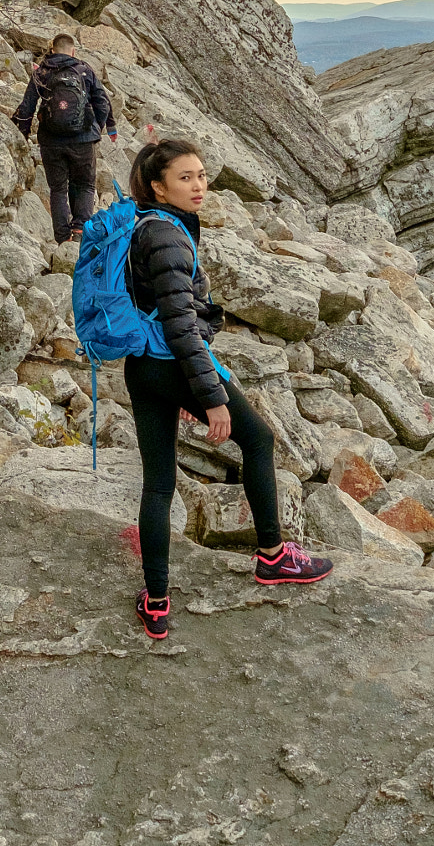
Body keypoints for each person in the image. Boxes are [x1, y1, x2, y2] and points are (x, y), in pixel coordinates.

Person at [124, 136, 332, 640]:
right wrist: (212, 398)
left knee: (157, 482)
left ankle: (155, 602)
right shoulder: (168, 237)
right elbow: (181, 328)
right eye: (185, 178)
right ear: (159, 186)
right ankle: (273, 556)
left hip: (142, 365)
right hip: (172, 360)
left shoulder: (145, 225)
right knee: (258, 440)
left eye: (201, 175)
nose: (200, 186)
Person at [12, 32, 116, 244]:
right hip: (84, 139)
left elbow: (27, 106)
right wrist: (97, 127)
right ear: (73, 51)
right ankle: (80, 232)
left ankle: (61, 238)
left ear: (52, 50)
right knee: (85, 186)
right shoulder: (84, 70)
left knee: (58, 189)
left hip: (51, 140)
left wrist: (22, 134)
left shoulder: (41, 72)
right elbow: (103, 103)